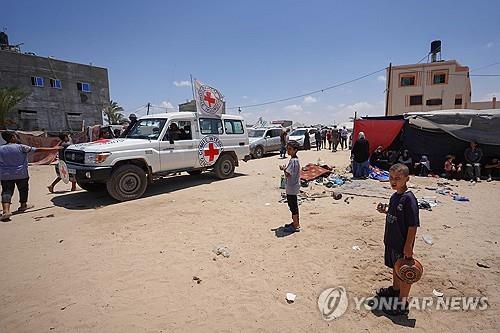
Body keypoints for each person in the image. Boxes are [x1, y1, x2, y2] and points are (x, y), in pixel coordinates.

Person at [376, 163, 419, 316]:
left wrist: (408, 246)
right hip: (392, 240)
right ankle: (395, 290)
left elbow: (413, 225)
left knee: (405, 270)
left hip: (402, 243)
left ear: (407, 179)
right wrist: (385, 211)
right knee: (395, 267)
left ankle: (402, 303)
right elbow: (395, 214)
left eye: (398, 178)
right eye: (391, 178)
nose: (393, 181)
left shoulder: (409, 199)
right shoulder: (395, 196)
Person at [1, 131, 61, 221]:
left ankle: (6, 211)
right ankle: (23, 205)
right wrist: (53, 149)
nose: (17, 138)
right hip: (21, 174)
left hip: (5, 175)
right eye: (16, 136)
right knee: (23, 189)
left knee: (6, 191)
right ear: (12, 137)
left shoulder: (1, 148)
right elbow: (37, 150)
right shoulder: (21, 147)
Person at [279, 140, 301, 233]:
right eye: (287, 149)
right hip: (293, 186)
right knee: (293, 206)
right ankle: (295, 223)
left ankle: (296, 225)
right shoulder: (294, 160)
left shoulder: (294, 161)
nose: (288, 151)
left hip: (292, 187)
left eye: (290, 149)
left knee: (293, 206)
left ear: (295, 150)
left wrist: (283, 169)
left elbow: (288, 174)